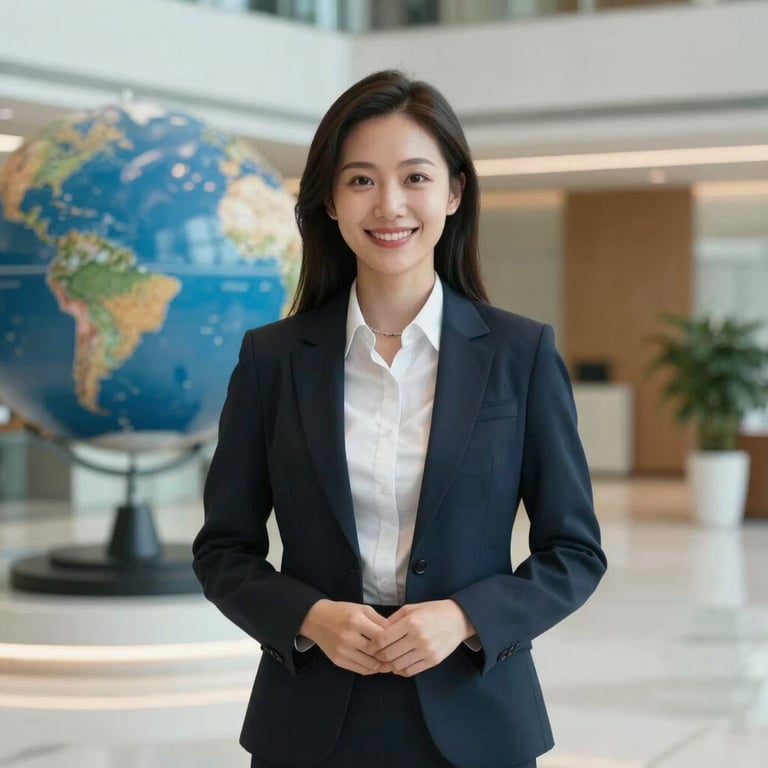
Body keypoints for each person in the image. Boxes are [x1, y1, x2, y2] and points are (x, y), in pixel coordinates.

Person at [192, 70, 607, 768]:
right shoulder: (272, 359)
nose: (389, 205)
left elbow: (575, 553)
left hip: (478, 719)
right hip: (310, 722)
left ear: (453, 193)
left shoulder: (521, 353)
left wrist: (466, 617)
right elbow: (222, 552)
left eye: (414, 177)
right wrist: (308, 617)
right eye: (360, 180)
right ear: (328, 198)